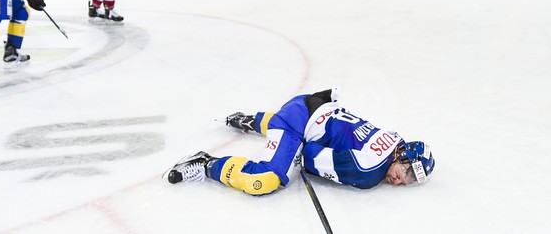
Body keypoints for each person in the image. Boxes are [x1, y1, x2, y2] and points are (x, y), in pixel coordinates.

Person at [165, 88, 434, 195]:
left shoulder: (394, 139)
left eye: (411, 179)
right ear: (402, 155)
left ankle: (250, 120)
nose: (401, 180)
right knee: (266, 180)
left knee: (299, 131)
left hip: (314, 103)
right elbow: (309, 158)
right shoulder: (369, 172)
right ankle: (205, 163)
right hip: (296, 121)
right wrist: (290, 157)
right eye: (406, 171)